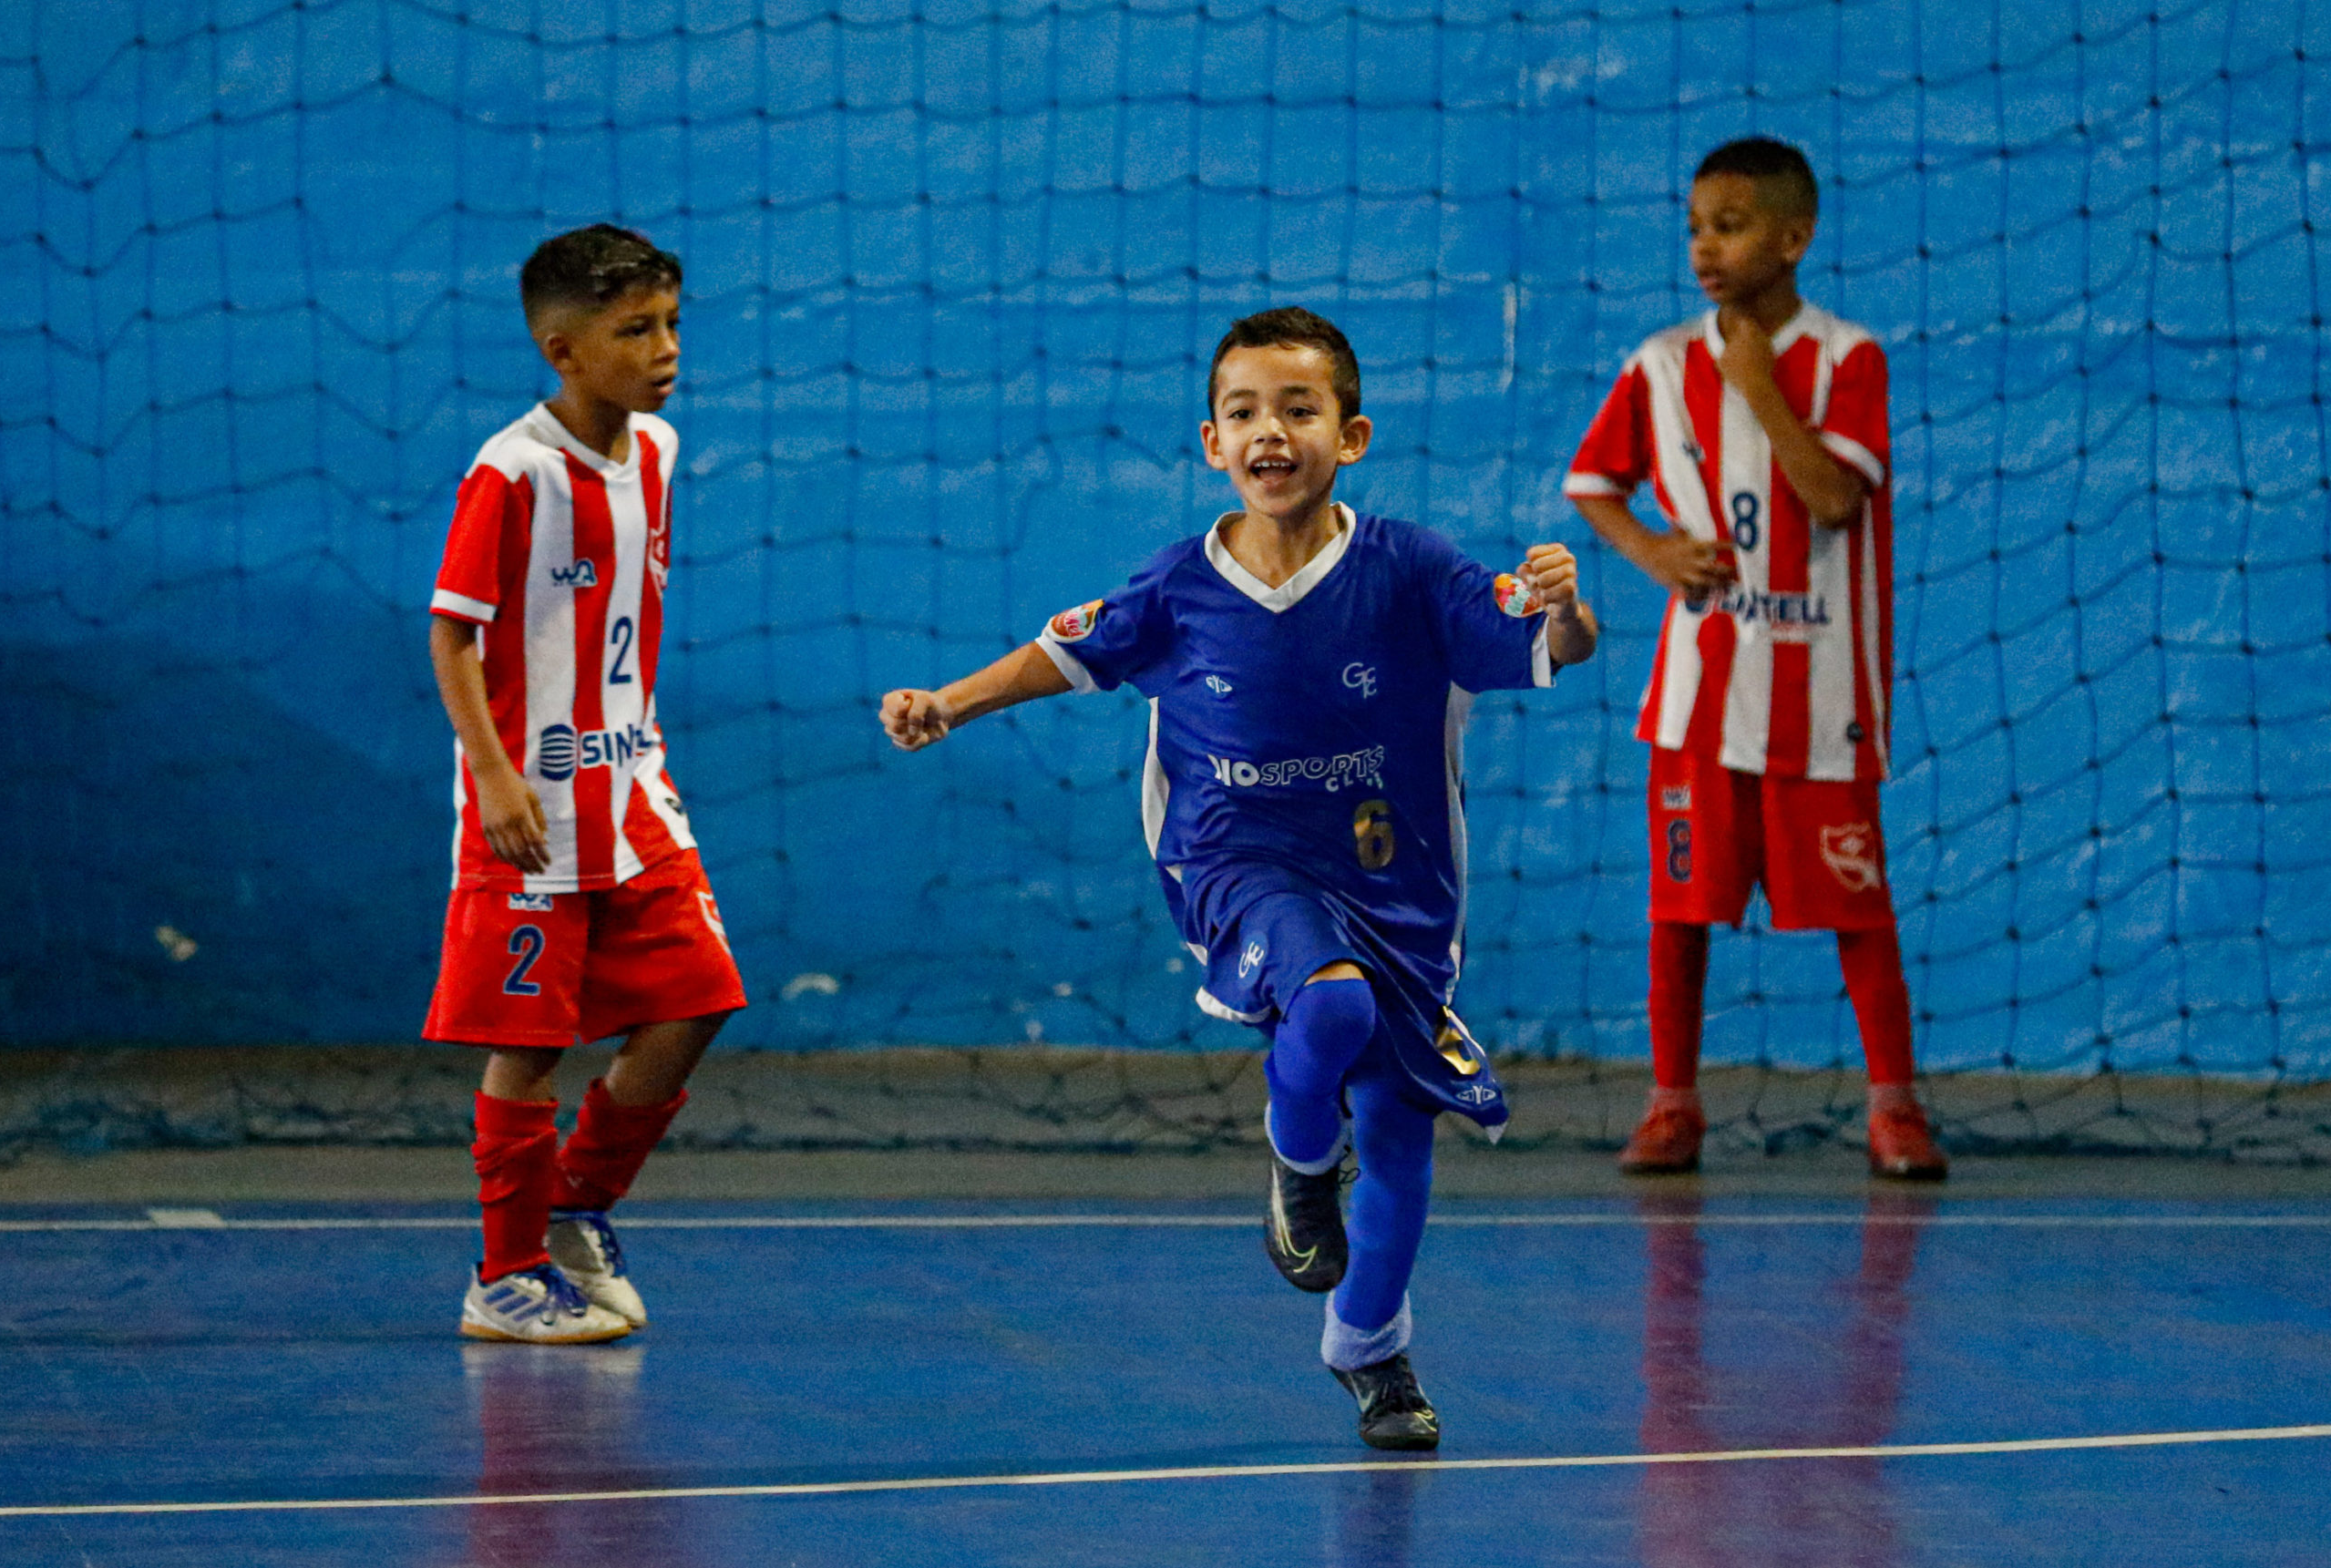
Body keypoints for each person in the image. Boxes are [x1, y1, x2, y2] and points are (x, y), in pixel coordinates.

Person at [880, 307, 1598, 1448]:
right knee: (1330, 1001)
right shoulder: (1178, 588)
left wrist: (1562, 602)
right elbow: (1063, 652)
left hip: (1394, 887)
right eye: (1245, 412)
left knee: (1404, 1143)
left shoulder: (1410, 568)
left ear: (1349, 435)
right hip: (1234, 864)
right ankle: (1297, 1158)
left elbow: (1553, 643)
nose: (1272, 431)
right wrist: (947, 704)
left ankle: (1371, 1348)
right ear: (1210, 442)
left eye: (1299, 409)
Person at [1564, 137, 1946, 1180]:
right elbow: (1592, 481)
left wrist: (1757, 387)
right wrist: (1650, 549)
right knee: (1679, 911)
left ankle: (1894, 1107)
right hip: (1698, 699)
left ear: (1792, 237)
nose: (1703, 247)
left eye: (1727, 226)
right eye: (1693, 226)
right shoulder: (1656, 363)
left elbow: (1831, 496)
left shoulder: (1846, 358)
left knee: (1857, 908)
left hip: (1822, 693)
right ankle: (1672, 1104)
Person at [425, 224, 747, 1343]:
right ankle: (502, 1275)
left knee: (697, 1001)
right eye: (633, 330)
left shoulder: (656, 449)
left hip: (636, 790)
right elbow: (451, 637)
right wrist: (497, 778)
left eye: (670, 323)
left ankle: (575, 1202)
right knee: (532, 1040)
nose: (664, 349)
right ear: (562, 349)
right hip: (535, 809)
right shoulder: (509, 472)